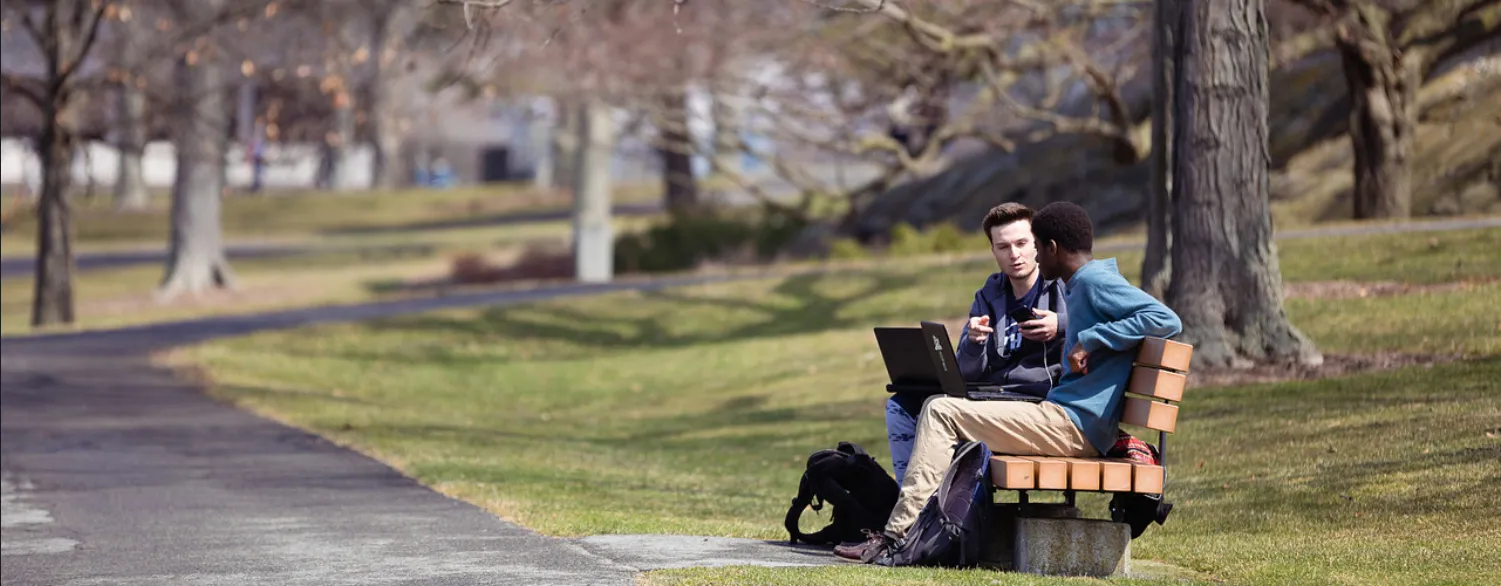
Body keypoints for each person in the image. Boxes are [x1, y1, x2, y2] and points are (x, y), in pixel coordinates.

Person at [838, 201, 1183, 563]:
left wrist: (1091, 339)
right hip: (1063, 418)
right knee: (929, 407)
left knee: (940, 410)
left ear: (1049, 248)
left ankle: (899, 536)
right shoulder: (1075, 284)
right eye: (1005, 246)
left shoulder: (1094, 281)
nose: (1026, 254)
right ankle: (917, 530)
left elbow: (1166, 319)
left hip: (1073, 425)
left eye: (1032, 243)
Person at [885, 202, 1067, 489]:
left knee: (938, 410)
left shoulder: (1061, 289)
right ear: (993, 251)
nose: (1014, 254)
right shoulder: (989, 294)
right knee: (900, 406)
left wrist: (1061, 324)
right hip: (990, 397)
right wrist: (973, 344)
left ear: (1037, 244)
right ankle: (916, 503)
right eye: (1003, 247)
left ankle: (924, 513)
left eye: (1021, 243)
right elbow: (967, 373)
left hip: (1034, 403)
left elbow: (1101, 325)